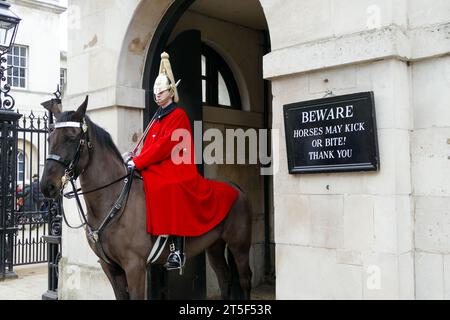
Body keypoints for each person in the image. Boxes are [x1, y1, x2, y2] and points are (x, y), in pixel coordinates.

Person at [127, 52, 239, 272]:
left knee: (169, 186)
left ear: (171, 92)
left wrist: (139, 162)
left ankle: (176, 249)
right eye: (156, 91)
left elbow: (165, 146)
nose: (157, 94)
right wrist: (134, 158)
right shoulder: (157, 117)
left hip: (177, 166)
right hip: (159, 164)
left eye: (162, 91)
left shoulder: (177, 115)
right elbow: (151, 146)